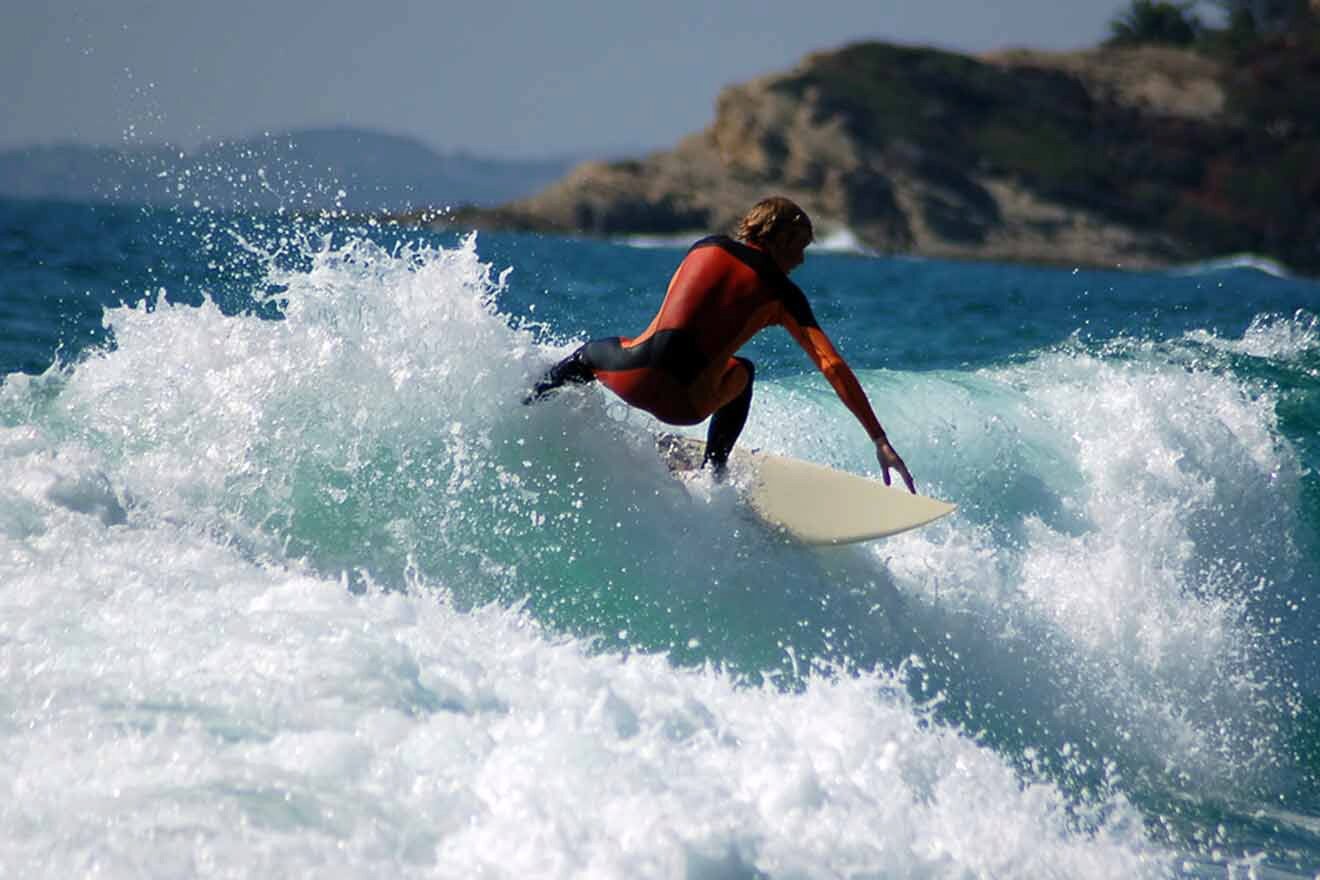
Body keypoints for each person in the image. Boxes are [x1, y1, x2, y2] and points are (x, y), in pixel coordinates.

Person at [525, 196, 916, 493]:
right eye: (800, 245)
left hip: (629, 379)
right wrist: (879, 439)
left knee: (592, 352)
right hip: (683, 405)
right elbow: (831, 365)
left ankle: (527, 403)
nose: (800, 259)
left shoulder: (704, 247)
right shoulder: (784, 294)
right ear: (779, 237)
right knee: (742, 371)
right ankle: (714, 475)